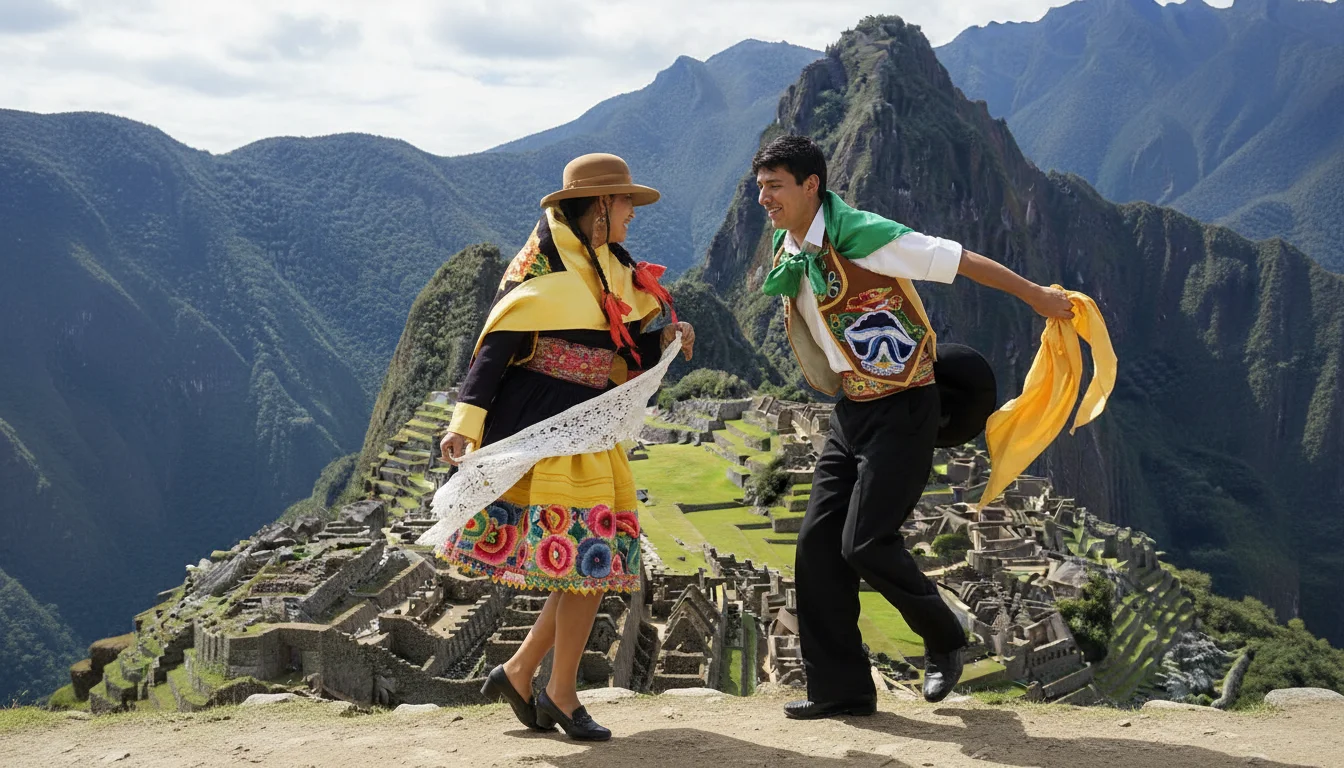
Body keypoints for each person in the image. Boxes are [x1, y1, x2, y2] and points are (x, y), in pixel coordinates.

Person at [751, 135, 1074, 719]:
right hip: (853, 408)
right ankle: (841, 689)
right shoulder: (788, 246)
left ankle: (945, 635)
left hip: (905, 406)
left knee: (866, 542)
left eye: (775, 186)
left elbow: (960, 261)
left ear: (810, 187)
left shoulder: (866, 236)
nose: (763, 197)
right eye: (760, 186)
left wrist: (1035, 297)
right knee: (817, 547)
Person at [438, 153, 694, 741]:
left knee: (585, 567)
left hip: (590, 432)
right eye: (625, 201)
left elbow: (619, 361)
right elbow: (493, 352)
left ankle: (524, 672)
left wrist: (667, 342)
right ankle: (560, 692)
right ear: (599, 205)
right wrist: (465, 424)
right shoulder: (541, 274)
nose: (633, 212)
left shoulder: (614, 270)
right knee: (587, 566)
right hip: (547, 435)